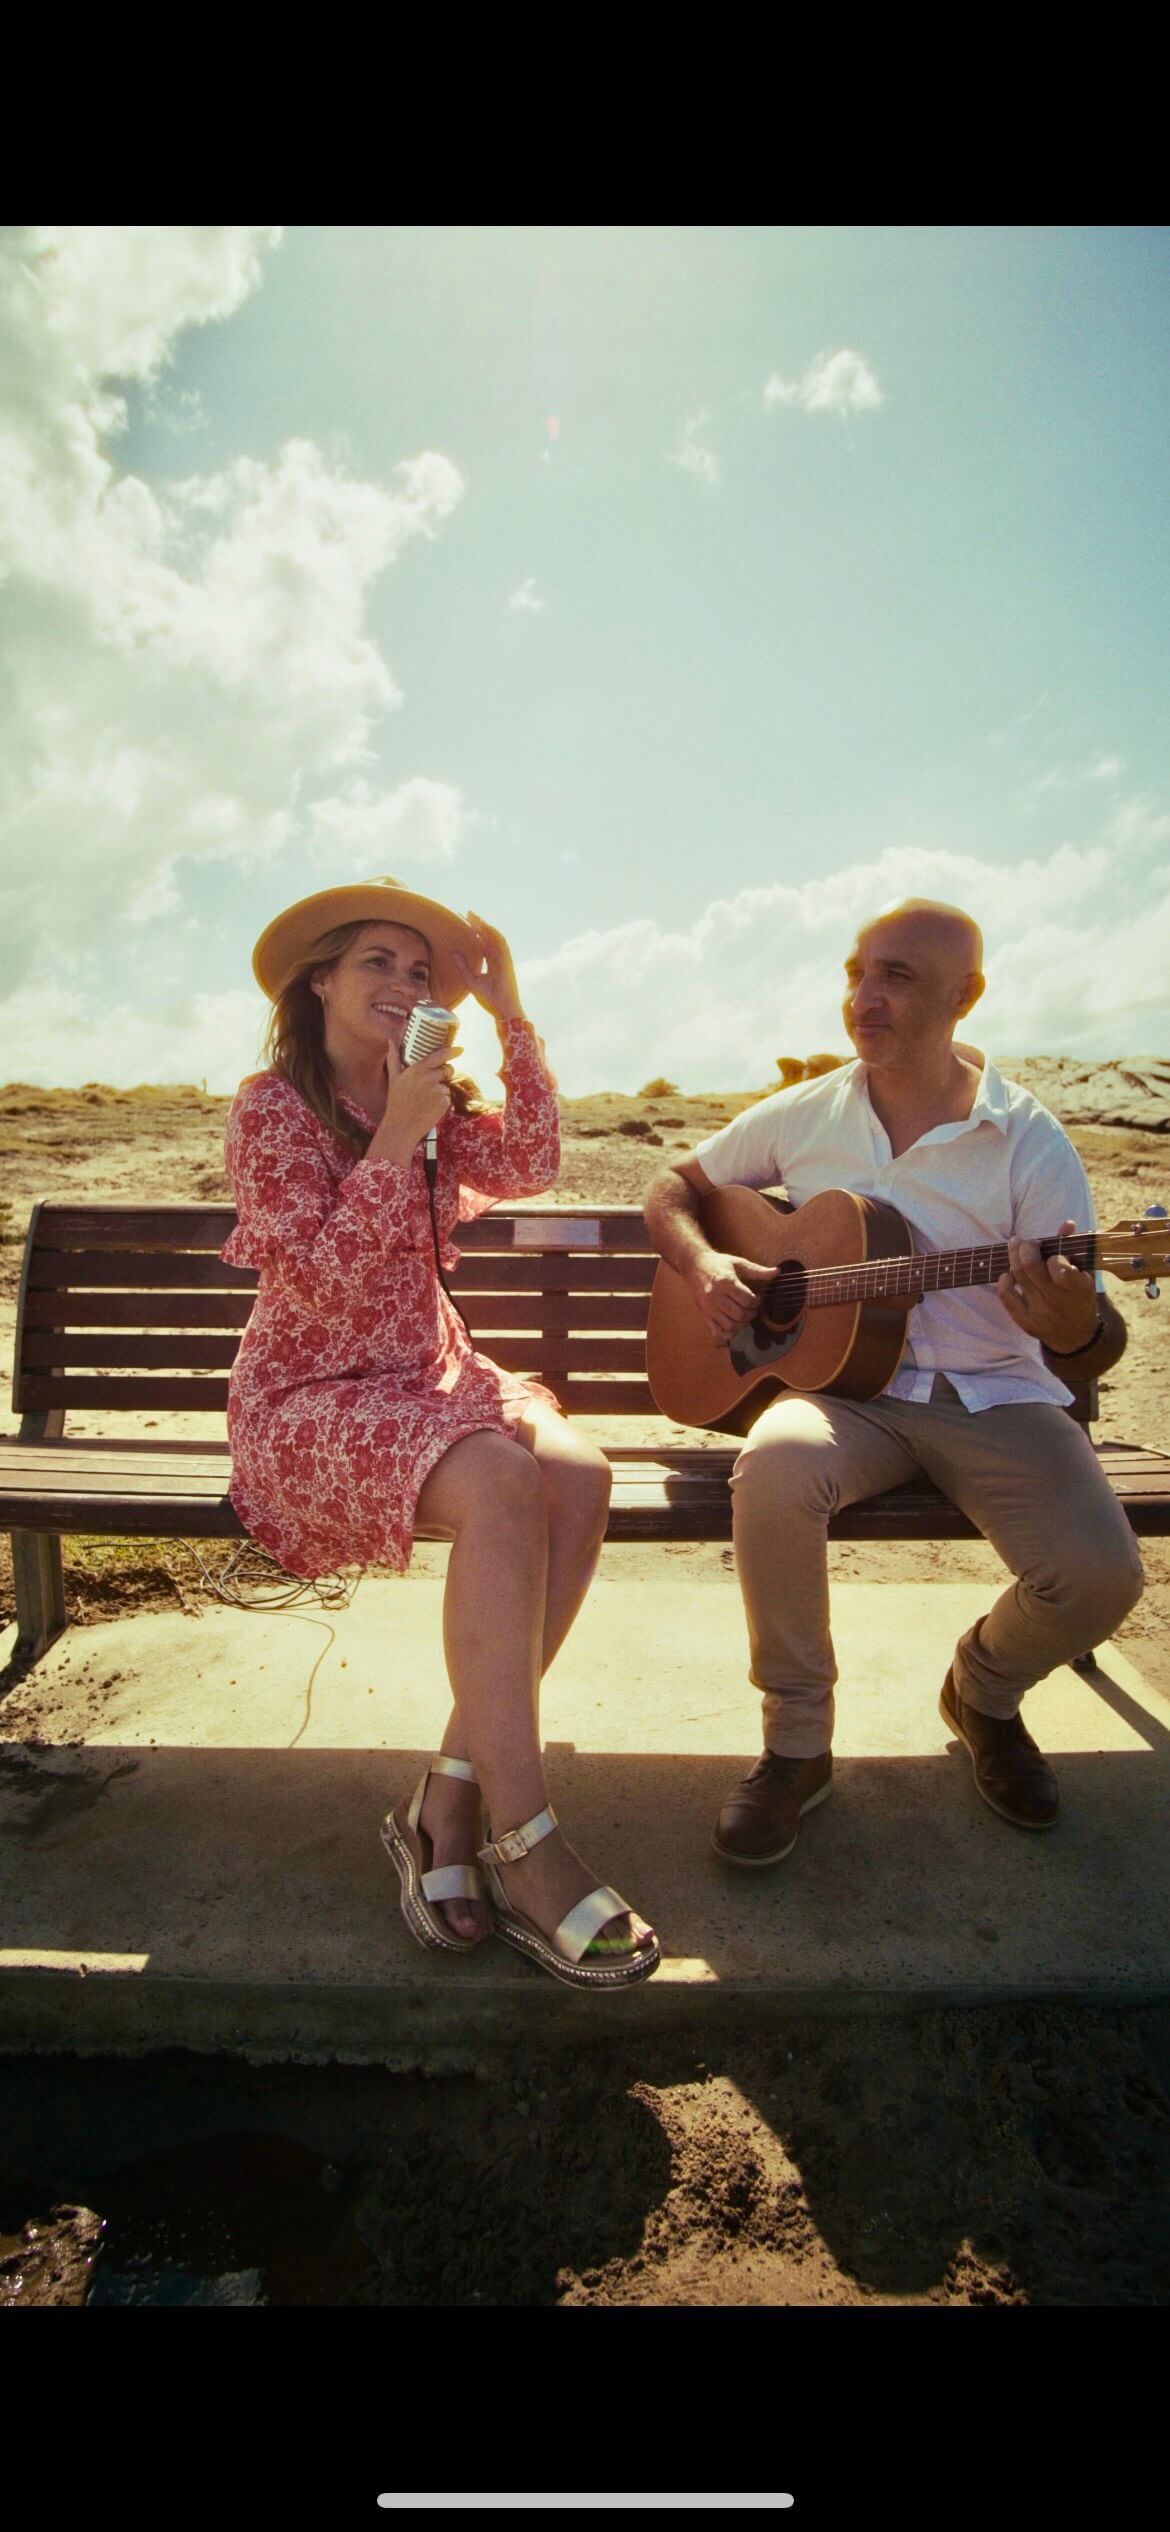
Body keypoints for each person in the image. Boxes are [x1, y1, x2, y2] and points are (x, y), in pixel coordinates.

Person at [223, 875, 658, 1987]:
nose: (405, 983)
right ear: (320, 981)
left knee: (580, 1474)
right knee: (506, 1485)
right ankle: (527, 1839)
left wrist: (510, 1017)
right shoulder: (272, 1109)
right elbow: (316, 1287)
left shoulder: (430, 1100)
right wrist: (390, 1147)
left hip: (432, 1376)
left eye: (421, 971)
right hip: (311, 1393)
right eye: (377, 961)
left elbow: (534, 1163)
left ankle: (446, 1799)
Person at [643, 897, 1143, 1863]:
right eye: (857, 973)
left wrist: (1071, 1323)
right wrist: (703, 1265)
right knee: (775, 1468)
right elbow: (672, 1185)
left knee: (1101, 1577)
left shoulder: (1026, 1138)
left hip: (993, 1397)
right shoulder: (811, 1108)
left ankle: (983, 1692)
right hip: (846, 1399)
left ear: (967, 996)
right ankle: (797, 1747)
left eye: (897, 978)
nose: (864, 999)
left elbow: (1092, 1339)